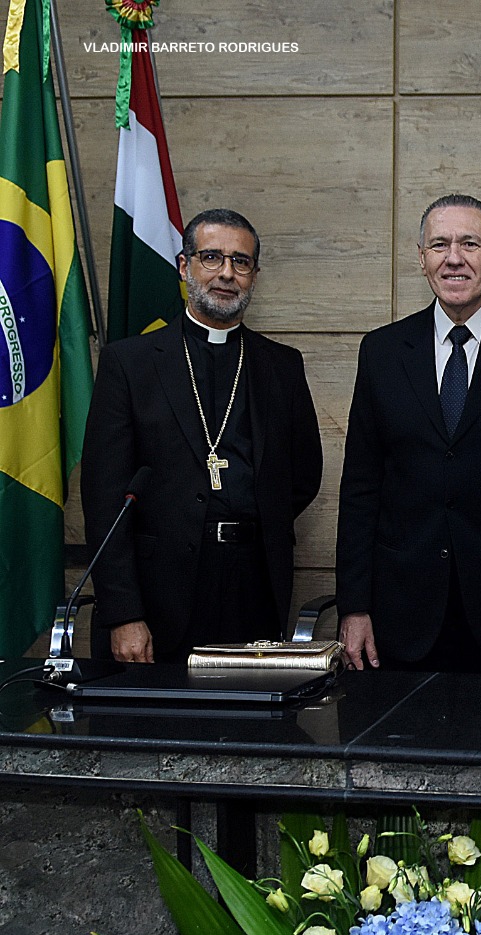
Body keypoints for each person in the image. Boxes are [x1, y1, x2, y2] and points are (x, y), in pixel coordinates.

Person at [81, 208, 321, 662]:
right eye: (212, 257)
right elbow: (104, 499)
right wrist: (123, 613)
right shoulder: (128, 364)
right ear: (184, 265)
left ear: (254, 275)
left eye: (241, 262)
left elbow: (303, 475)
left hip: (253, 584)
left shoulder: (281, 365)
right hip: (157, 591)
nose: (227, 273)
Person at [336, 194, 481, 674]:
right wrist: (354, 606)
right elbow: (361, 487)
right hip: (401, 610)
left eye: (470, 244)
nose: (454, 258)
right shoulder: (383, 351)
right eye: (440, 245)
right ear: (421, 257)